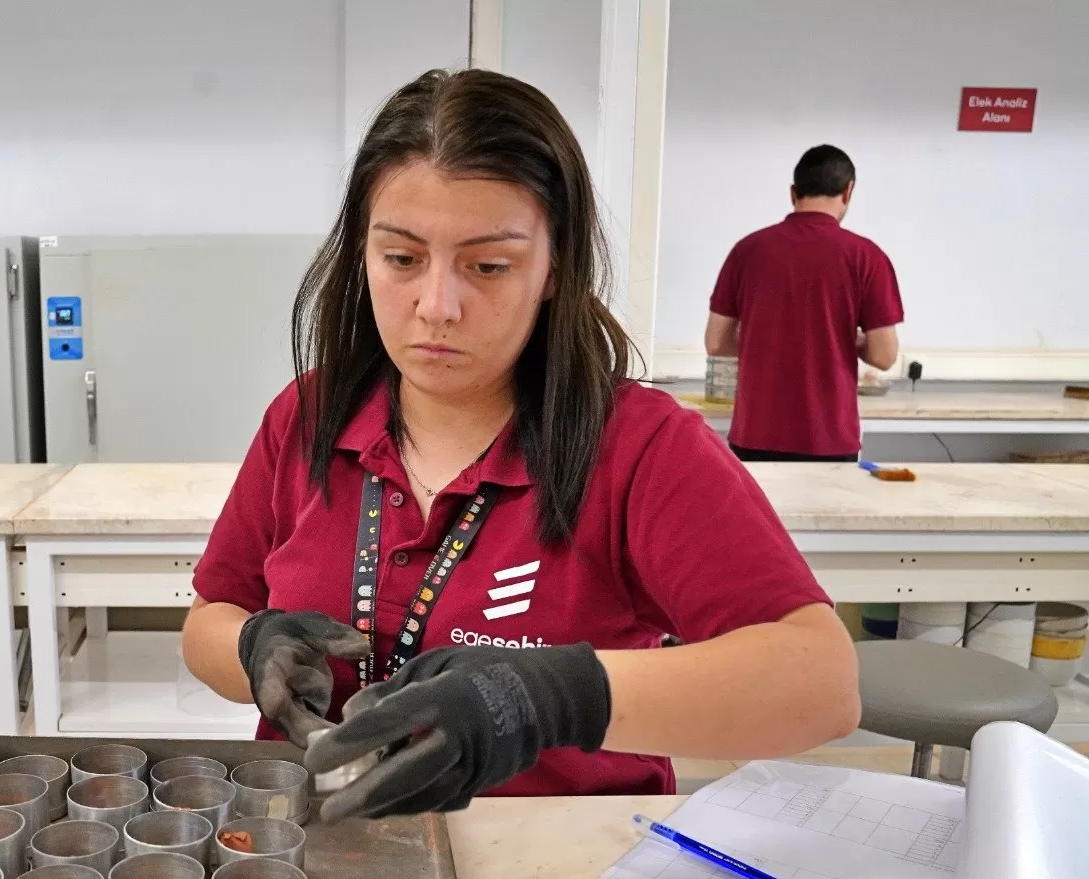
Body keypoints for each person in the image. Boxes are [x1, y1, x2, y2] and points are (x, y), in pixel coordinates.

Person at [181, 70, 859, 823]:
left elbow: (821, 683)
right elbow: (210, 615)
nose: (436, 306)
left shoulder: (637, 447)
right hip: (321, 857)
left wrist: (546, 698)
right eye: (402, 259)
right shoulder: (308, 416)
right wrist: (252, 648)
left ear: (552, 268)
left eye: (489, 266)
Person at [704, 145, 905, 462]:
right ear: (848, 191)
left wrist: (766, 337)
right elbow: (883, 356)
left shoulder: (748, 250)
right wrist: (848, 339)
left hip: (755, 435)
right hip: (830, 439)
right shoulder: (867, 257)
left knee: (758, 514)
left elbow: (716, 343)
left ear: (793, 192)